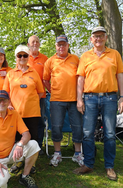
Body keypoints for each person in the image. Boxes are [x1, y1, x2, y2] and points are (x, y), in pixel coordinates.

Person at [73, 26, 123, 181]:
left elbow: (120, 76)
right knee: (87, 133)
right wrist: (79, 98)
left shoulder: (114, 54)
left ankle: (109, 166)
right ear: (91, 39)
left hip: (110, 98)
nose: (98, 39)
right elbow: (80, 79)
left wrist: (122, 97)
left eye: (101, 36)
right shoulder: (85, 56)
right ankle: (88, 164)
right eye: (95, 36)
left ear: (106, 38)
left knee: (110, 134)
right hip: (89, 99)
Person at [0, 90, 40, 188]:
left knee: (34, 145)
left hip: (11, 153)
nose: (2, 103)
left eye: (4, 100)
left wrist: (20, 145)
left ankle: (25, 176)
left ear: (9, 102)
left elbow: (26, 134)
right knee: (2, 182)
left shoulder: (14, 114)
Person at [43, 35, 83, 167]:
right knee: (56, 126)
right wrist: (53, 91)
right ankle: (57, 153)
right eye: (59, 44)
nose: (61, 47)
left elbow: (81, 77)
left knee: (77, 126)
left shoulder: (75, 59)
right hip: (56, 100)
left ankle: (78, 154)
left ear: (68, 45)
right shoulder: (50, 61)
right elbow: (45, 80)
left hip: (74, 100)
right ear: (55, 46)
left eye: (64, 44)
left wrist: (79, 97)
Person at [3, 45, 44, 174]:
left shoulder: (34, 72)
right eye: (19, 55)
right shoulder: (10, 74)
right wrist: (10, 104)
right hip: (15, 114)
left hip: (32, 113)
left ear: (28, 57)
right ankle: (18, 161)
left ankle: (30, 164)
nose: (22, 58)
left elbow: (40, 92)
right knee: (16, 139)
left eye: (25, 55)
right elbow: (5, 93)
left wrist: (28, 101)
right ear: (16, 57)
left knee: (32, 139)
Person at [27, 35, 48, 155]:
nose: (35, 43)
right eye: (33, 42)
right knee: (27, 121)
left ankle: (39, 146)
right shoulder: (23, 57)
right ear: (28, 45)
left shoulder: (45, 59)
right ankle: (27, 146)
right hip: (26, 97)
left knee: (40, 122)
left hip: (41, 97)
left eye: (37, 42)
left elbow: (48, 78)